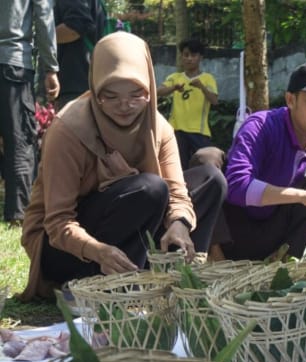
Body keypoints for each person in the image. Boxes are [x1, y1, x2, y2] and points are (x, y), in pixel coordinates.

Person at [19, 31, 226, 301]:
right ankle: (96, 285)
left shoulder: (158, 128)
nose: (125, 106)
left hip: (131, 236)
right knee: (149, 188)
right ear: (95, 90)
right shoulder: (68, 130)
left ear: (150, 90)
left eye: (136, 94)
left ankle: (174, 279)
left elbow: (178, 193)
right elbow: (58, 223)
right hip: (65, 252)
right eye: (111, 96)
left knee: (211, 179)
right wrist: (98, 250)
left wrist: (180, 223)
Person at [209, 60, 306, 261]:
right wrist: (302, 196)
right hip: (235, 232)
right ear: (290, 100)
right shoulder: (261, 126)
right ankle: (215, 257)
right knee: (207, 159)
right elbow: (237, 187)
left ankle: (284, 265)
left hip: (277, 236)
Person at [0, 0, 60, 226]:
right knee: (20, 139)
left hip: (12, 59)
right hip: (12, 61)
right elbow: (44, 17)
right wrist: (51, 67)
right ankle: (19, 213)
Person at [157, 38, 218, 171]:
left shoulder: (208, 79)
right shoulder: (175, 77)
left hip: (199, 132)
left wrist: (202, 87)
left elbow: (214, 100)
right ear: (181, 57)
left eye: (193, 55)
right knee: (178, 169)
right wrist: (173, 88)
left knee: (206, 167)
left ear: (200, 57)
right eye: (186, 55)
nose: (189, 58)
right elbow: (158, 92)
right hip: (177, 131)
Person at [54, 0, 105, 110]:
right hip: (92, 79)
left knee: (74, 126)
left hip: (76, 81)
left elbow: (75, 27)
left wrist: (41, 37)